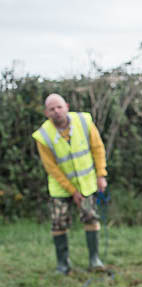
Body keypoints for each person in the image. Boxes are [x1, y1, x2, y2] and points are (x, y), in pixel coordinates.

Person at [32, 93, 108, 274]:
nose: (56, 112)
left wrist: (101, 175)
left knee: (90, 217)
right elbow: (51, 168)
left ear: (66, 106)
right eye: (51, 109)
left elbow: (98, 149)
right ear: (46, 113)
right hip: (60, 187)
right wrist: (71, 190)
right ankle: (63, 265)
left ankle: (94, 260)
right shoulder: (43, 136)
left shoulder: (84, 121)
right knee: (58, 223)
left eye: (59, 107)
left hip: (86, 182)